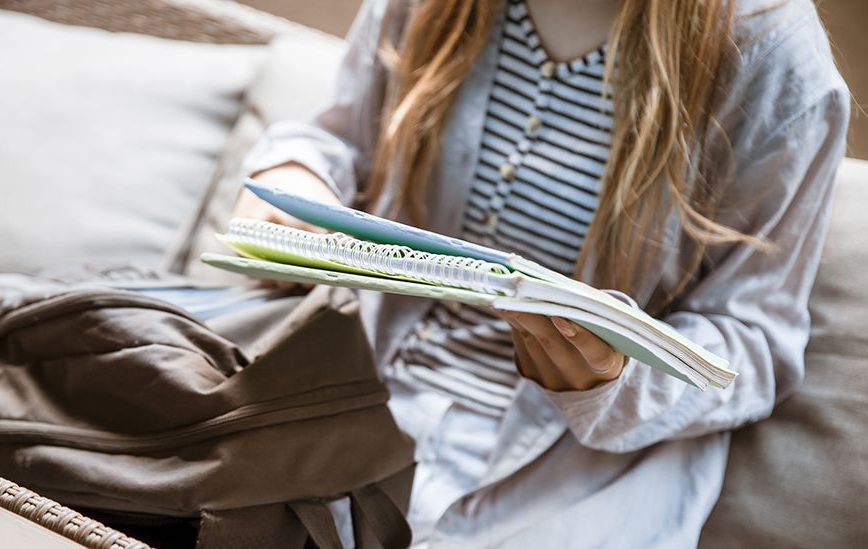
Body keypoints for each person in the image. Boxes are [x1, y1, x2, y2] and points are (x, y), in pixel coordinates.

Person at [232, 0, 850, 546]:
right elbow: (343, 139)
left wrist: (616, 373)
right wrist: (296, 175)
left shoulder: (772, 53)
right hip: (361, 397)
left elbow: (756, 341)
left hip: (567, 480)